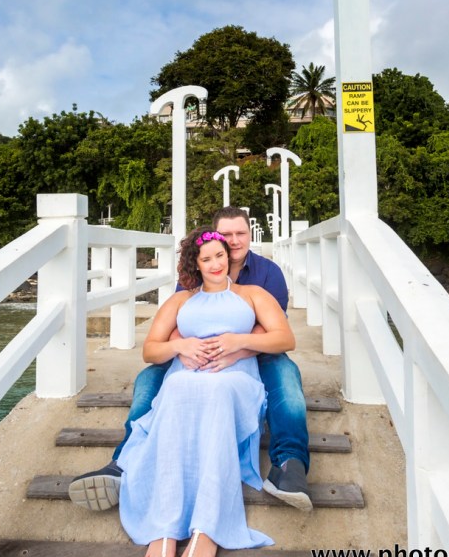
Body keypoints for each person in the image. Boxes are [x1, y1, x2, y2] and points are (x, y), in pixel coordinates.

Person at [67, 207, 313, 512]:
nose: (234, 242)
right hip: (195, 354)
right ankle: (122, 462)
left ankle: (289, 465)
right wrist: (185, 349)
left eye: (241, 234)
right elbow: (176, 324)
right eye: (226, 236)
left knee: (286, 378)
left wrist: (235, 349)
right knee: (149, 378)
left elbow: (277, 331)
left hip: (254, 352)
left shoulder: (266, 275)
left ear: (249, 234)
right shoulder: (192, 279)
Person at [117, 227, 295, 557]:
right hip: (186, 377)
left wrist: (237, 342)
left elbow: (285, 337)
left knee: (217, 392)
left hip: (236, 381)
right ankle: (165, 525)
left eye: (220, 256)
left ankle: (209, 528)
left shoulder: (252, 294)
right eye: (207, 258)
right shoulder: (182, 301)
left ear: (228, 256)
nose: (216, 264)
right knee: (178, 388)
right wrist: (179, 347)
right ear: (194, 264)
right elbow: (150, 349)